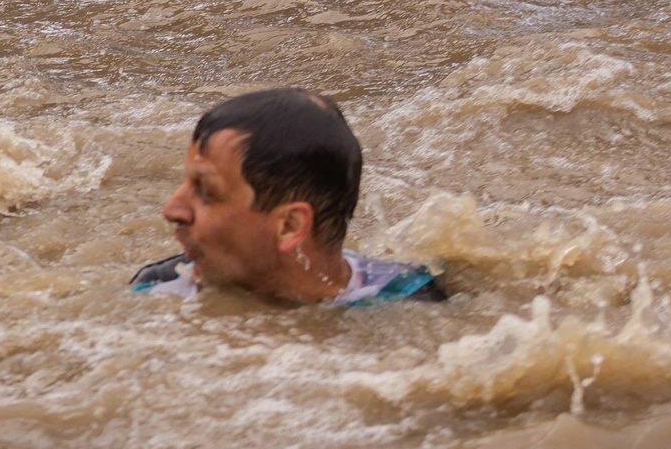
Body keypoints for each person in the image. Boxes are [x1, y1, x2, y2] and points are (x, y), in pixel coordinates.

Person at [131, 87, 442, 305]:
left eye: (205, 192)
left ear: (290, 226)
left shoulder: (407, 298)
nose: (172, 210)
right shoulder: (156, 287)